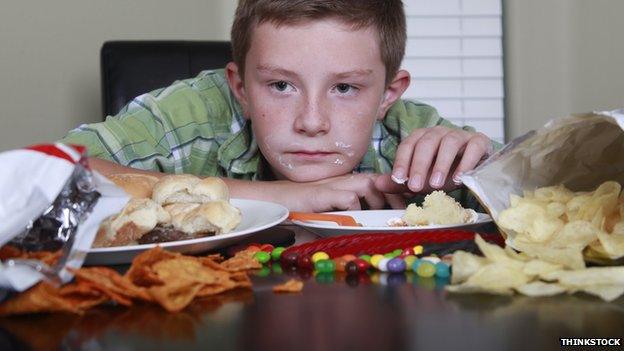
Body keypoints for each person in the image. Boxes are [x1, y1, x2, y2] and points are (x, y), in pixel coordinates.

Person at [60, 0, 498, 212]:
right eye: (281, 85)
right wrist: (281, 198)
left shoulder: (412, 135)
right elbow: (51, 171)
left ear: (388, 94)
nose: (312, 122)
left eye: (345, 89)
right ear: (241, 87)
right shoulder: (197, 111)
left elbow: (549, 193)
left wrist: (488, 168)